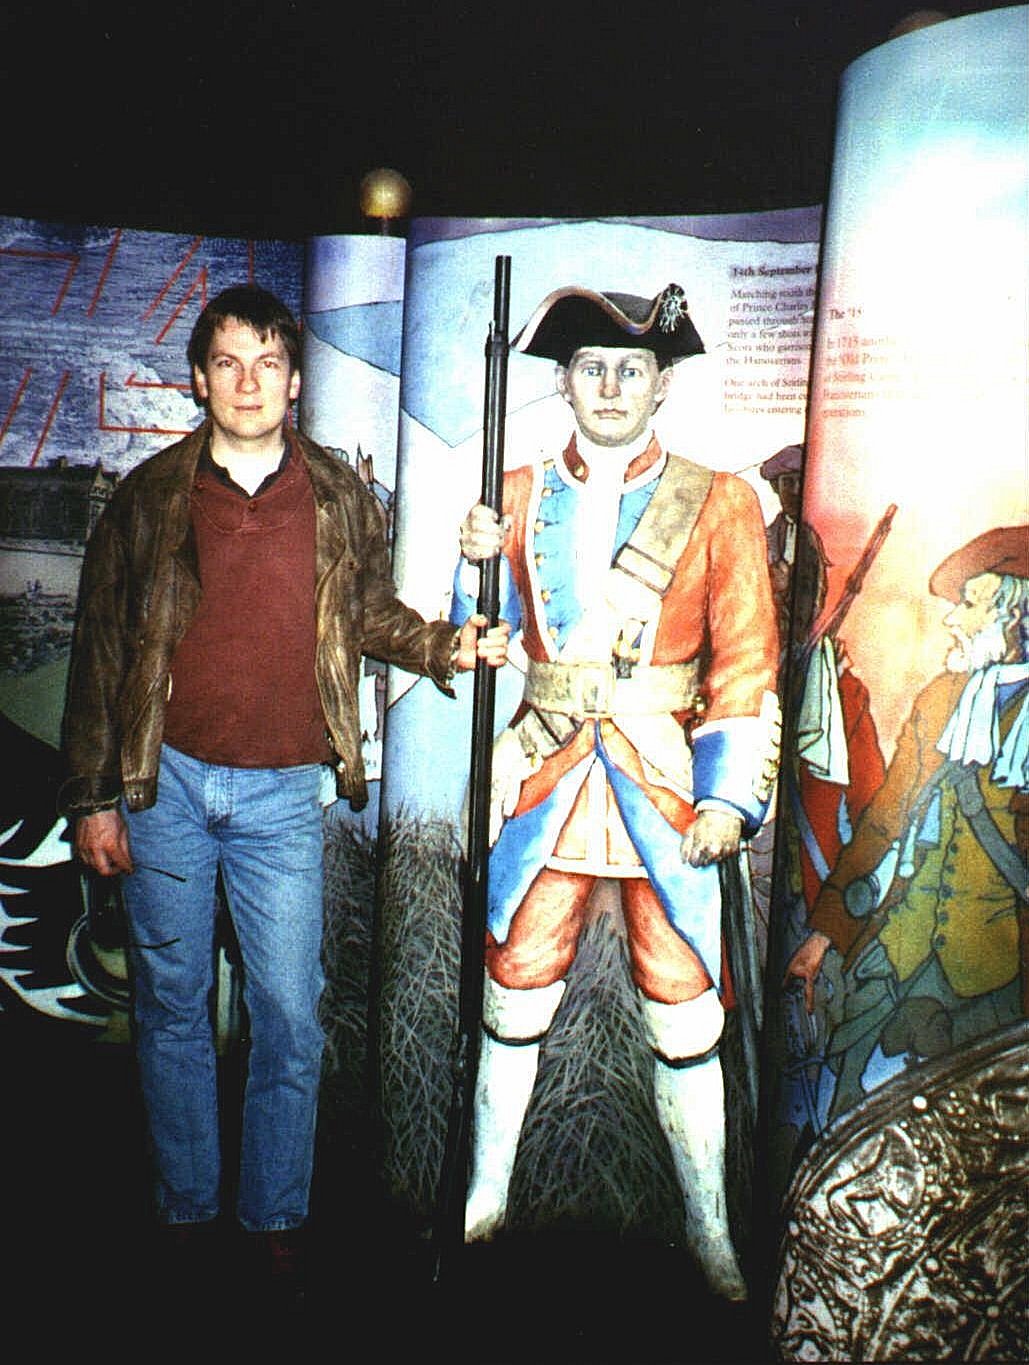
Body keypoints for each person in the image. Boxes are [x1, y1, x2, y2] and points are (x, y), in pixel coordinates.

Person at [60, 284, 508, 1300]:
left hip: (279, 801)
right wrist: (92, 800)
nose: (248, 382)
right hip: (161, 784)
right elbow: (99, 653)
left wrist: (445, 644)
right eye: (227, 363)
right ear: (200, 380)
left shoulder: (341, 497)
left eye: (267, 363)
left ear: (296, 381)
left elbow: (365, 613)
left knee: (290, 1017)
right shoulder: (148, 499)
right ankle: (185, 1207)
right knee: (172, 1007)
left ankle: (273, 1214)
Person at [454, 282, 780, 1300]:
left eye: (630, 369)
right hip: (550, 763)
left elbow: (746, 661)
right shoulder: (507, 492)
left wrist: (728, 799)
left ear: (660, 385)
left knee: (684, 1000)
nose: (608, 385)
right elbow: (487, 639)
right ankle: (485, 1197)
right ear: (561, 382)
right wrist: (473, 575)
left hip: (662, 777)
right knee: (513, 981)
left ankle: (710, 1229)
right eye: (590, 367)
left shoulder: (717, 497)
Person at [786, 526, 1028, 1121]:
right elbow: (883, 822)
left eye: (970, 604)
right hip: (899, 950)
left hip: (999, 974)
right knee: (835, 1107)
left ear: (1017, 618)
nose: (953, 620)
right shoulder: (941, 699)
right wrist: (822, 936)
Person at [760, 441, 829, 654]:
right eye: (788, 483)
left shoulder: (817, 538)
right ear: (775, 487)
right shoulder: (765, 537)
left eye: (801, 482)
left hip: (807, 642)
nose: (795, 491)